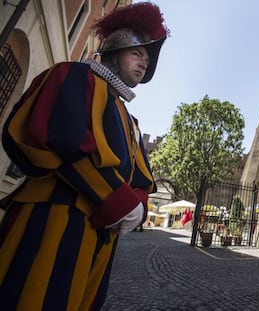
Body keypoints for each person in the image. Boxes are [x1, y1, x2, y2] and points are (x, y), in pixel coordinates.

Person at [0, 2, 168, 310]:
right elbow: (61, 139)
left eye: (147, 58)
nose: (144, 63)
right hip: (51, 216)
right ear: (113, 51)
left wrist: (140, 207)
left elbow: (143, 180)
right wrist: (118, 200)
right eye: (137, 53)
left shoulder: (130, 121)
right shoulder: (74, 76)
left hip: (100, 238)